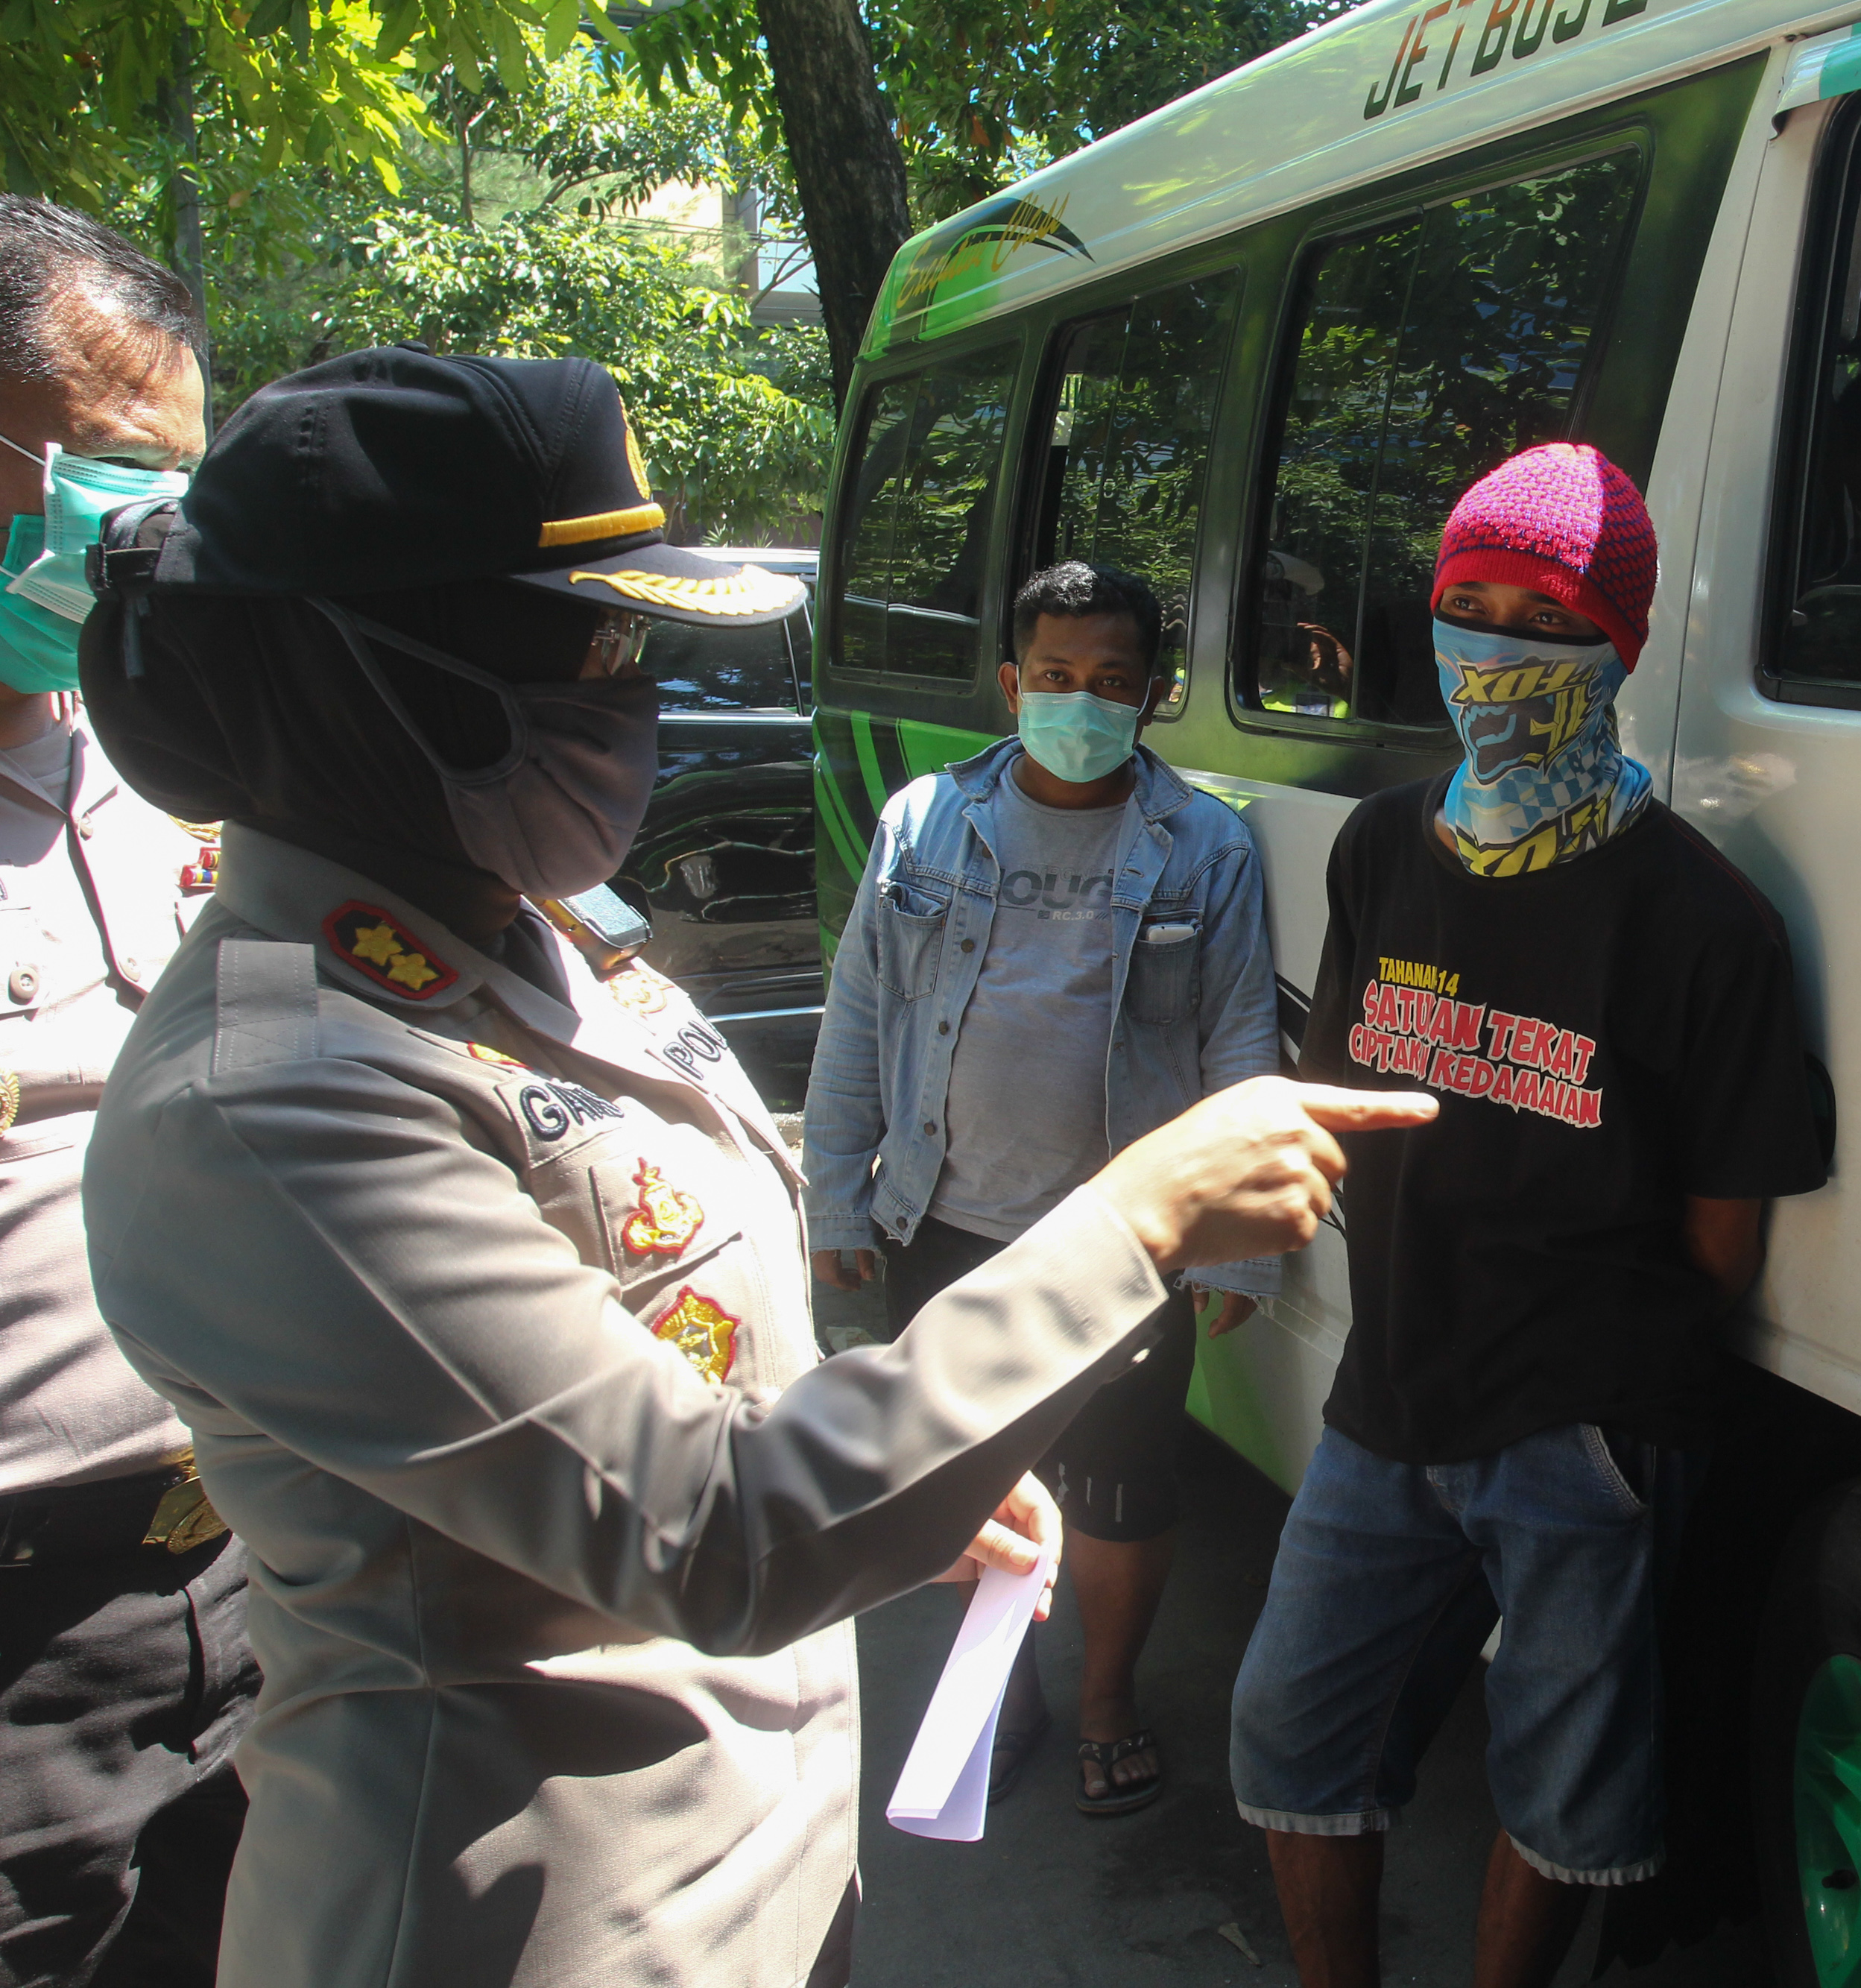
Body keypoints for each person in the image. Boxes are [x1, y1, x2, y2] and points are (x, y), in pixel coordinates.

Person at [71, 342, 1432, 1988]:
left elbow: (662, 1381)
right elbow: (716, 1532)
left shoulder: (514, 935)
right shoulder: (279, 1097)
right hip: (539, 1928)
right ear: (377, 679)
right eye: (594, 645)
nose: (631, 700)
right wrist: (1138, 1219)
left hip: (761, 1880)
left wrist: (891, 1478)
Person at [1229, 442, 1830, 1988]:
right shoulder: (1379, 851)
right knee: (1294, 1734)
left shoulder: (1705, 920)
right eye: (1472, 610)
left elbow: (1721, 1241)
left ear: (1617, 648)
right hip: (1385, 1400)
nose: (1498, 656)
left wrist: (1595, 1402)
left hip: (1584, 1437)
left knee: (1563, 1798)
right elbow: (1339, 1107)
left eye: (1550, 624)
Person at [803, 556, 1279, 1816]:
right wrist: (834, 1201)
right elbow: (859, 1019)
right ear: (1013, 686)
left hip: (1125, 1246)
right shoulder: (923, 822)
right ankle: (999, 1693)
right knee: (963, 1485)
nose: (1083, 701)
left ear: (1152, 695)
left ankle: (1108, 1698)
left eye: (1113, 681)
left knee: (1122, 1495)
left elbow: (1240, 1045)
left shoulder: (1206, 847)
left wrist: (1238, 1243)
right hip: (944, 1223)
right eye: (1057, 675)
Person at [0, 196, 251, 1988]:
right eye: (105, 465)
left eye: (175, 480)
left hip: (249, 1563)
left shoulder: (174, 759)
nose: (143, 527)